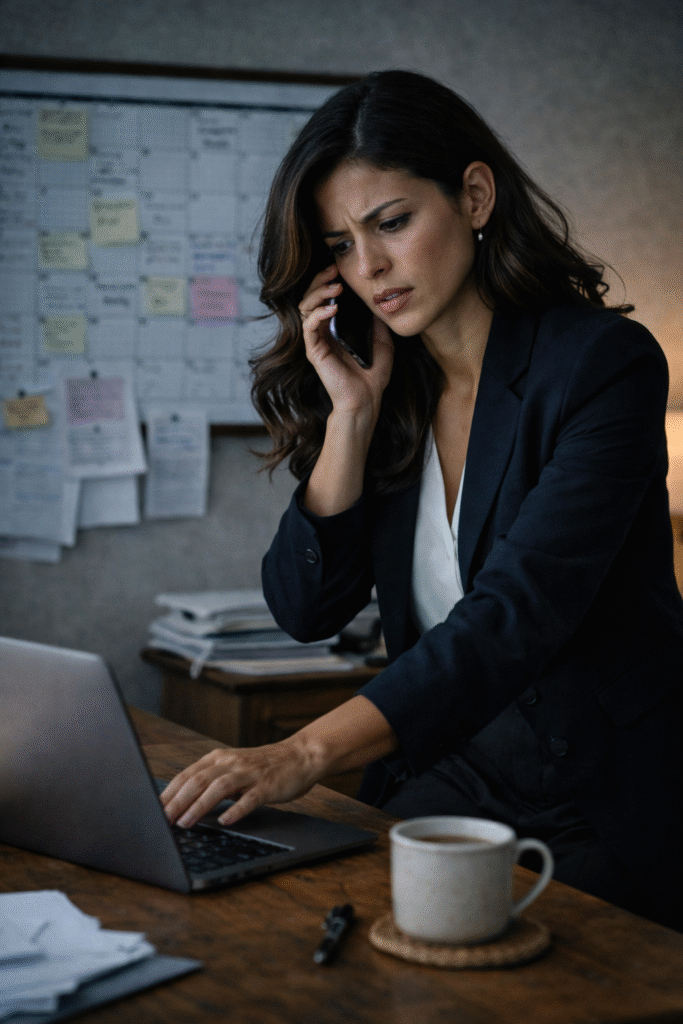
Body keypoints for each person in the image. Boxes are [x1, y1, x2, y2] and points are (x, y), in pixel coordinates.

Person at [161, 70, 683, 930]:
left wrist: (301, 752)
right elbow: (305, 609)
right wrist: (351, 417)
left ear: (474, 196)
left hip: (604, 791)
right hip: (457, 770)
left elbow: (516, 613)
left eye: (391, 224)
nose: (367, 269)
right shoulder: (389, 387)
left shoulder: (601, 365)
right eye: (337, 244)